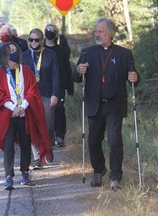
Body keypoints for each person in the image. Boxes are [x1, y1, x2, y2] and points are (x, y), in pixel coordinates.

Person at [72, 17, 139, 191]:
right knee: (94, 140)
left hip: (115, 103)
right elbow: (77, 77)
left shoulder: (124, 54)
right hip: (94, 103)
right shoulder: (87, 52)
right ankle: (99, 169)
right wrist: (79, 70)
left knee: (115, 139)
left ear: (110, 33)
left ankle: (115, 175)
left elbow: (133, 77)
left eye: (100, 31)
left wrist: (135, 77)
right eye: (96, 31)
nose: (97, 34)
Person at [0, 42, 52, 190]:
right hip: (8, 115)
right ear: (5, 55)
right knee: (8, 145)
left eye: (15, 50)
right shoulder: (0, 74)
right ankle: (9, 176)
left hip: (25, 113)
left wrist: (22, 106)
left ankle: (25, 172)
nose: (15, 53)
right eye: (11, 51)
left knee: (26, 144)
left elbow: (32, 91)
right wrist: (14, 108)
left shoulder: (26, 71)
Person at [22, 28, 60, 170]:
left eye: (36, 40)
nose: (33, 42)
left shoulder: (50, 54)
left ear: (42, 40)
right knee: (32, 127)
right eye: (31, 39)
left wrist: (55, 94)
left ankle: (48, 147)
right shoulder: (25, 56)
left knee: (48, 125)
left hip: (47, 94)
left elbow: (56, 74)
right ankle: (37, 157)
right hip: (30, 96)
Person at [44, 24, 74, 147]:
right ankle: (47, 136)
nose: (50, 32)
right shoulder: (41, 49)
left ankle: (60, 136)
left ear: (56, 34)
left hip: (59, 85)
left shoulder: (60, 50)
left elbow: (66, 68)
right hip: (45, 85)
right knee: (46, 111)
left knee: (59, 109)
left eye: (53, 31)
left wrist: (69, 86)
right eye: (48, 30)